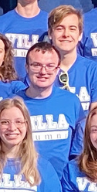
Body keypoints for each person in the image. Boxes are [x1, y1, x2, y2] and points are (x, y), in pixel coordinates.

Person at [14, 42, 84, 174]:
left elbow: (79, 149)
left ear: (57, 70)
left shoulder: (71, 102)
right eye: (36, 65)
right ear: (27, 67)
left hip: (62, 181)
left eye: (50, 66)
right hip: (24, 179)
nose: (43, 71)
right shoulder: (13, 104)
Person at [48, 6, 97, 111]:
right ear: (50, 33)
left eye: (72, 29)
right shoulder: (41, 73)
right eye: (59, 28)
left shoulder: (95, 71)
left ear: (80, 34)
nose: (66, 34)